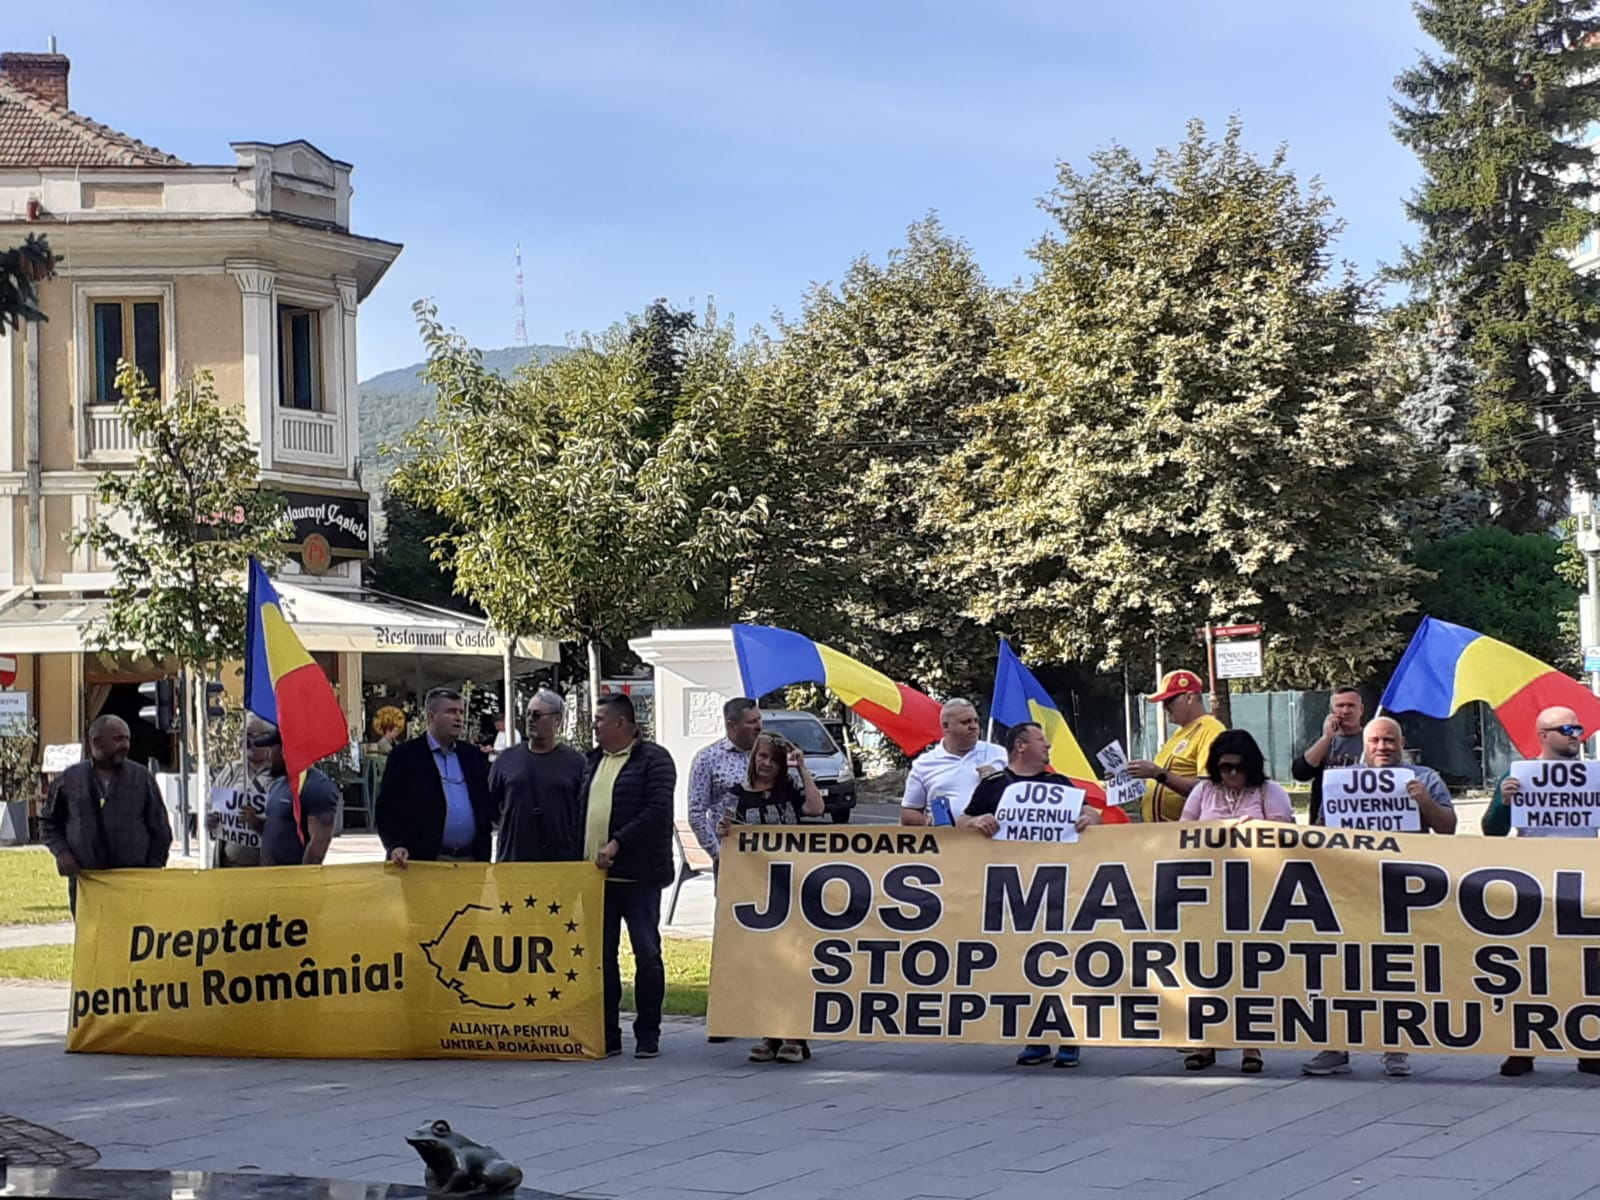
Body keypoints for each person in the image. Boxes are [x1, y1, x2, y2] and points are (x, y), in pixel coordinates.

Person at [1303, 715, 1455, 1080]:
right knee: (1343, 968)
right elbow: (1321, 832)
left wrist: (1423, 802)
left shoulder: (1425, 778)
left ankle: (1396, 1047)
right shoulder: (1342, 781)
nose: (1383, 747)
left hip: (1405, 889)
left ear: (1401, 743)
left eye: (1390, 740)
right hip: (1352, 889)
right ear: (1364, 745)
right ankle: (1336, 1047)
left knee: (1397, 970)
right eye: (1375, 741)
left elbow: (1448, 828)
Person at [959, 721, 1101, 1069]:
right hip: (1010, 892)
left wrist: (1088, 817)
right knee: (1023, 965)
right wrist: (977, 823)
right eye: (1041, 740)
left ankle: (1069, 1037)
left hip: (1057, 889)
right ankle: (1034, 1037)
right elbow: (961, 821)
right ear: (1021, 746)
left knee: (1062, 965)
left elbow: (1092, 813)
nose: (1048, 745)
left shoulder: (1058, 784)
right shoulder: (994, 786)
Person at [1482, 705, 1600, 1078]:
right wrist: (1504, 802)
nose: (1575, 734)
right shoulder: (1519, 775)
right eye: (1566, 728)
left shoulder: (1593, 775)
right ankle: (1524, 1048)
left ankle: (1589, 1046)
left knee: (1586, 970)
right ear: (1543, 735)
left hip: (1584, 886)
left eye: (1577, 728)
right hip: (1535, 888)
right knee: (1532, 970)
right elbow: (1492, 832)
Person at [1178, 729, 1294, 1074]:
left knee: (1248, 970)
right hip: (1206, 891)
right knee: (1205, 968)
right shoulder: (1203, 791)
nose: (1230, 775)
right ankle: (1205, 1040)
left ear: (1251, 766)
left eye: (1237, 768)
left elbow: (1287, 835)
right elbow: (1181, 833)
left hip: (1254, 893)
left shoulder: (1269, 792)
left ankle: (1251, 1044)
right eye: (1224, 767)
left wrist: (1253, 829)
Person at [715, 732, 824, 1064]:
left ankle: (795, 1035)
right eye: (761, 757)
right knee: (763, 962)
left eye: (772, 760)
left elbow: (816, 809)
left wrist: (802, 768)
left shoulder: (787, 790)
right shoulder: (736, 796)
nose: (765, 765)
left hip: (793, 890)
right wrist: (723, 832)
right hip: (756, 893)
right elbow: (727, 834)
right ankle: (768, 1033)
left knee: (795, 960)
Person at [580, 693, 675, 1059]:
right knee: (601, 958)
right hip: (595, 879)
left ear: (622, 723)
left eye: (600, 719)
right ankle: (607, 1032)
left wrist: (618, 843)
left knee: (647, 954)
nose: (595, 725)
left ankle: (647, 1033)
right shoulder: (592, 761)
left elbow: (656, 810)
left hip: (639, 878)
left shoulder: (655, 760)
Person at [40, 715, 172, 914]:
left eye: (127, 739)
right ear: (96, 742)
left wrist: (152, 869)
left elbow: (160, 829)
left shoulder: (142, 778)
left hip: (132, 884)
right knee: (93, 940)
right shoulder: (69, 780)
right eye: (118, 739)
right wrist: (63, 854)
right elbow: (48, 823)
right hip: (87, 884)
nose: (125, 745)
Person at [376, 687, 495, 866]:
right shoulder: (406, 756)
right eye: (451, 711)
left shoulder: (472, 756)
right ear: (431, 716)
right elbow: (387, 807)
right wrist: (394, 845)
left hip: (471, 862)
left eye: (461, 712)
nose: (458, 718)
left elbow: (485, 804)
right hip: (424, 862)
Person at [492, 690, 587, 862]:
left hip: (559, 863)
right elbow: (489, 806)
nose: (529, 720)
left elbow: (584, 813)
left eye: (537, 715)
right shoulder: (506, 759)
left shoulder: (577, 763)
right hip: (513, 861)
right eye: (527, 714)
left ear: (557, 720)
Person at [1128, 670, 1225, 822]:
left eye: (1169, 700)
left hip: (1186, 834)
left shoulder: (1210, 730)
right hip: (1161, 834)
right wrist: (1129, 774)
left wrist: (1157, 773)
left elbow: (1207, 788)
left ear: (1190, 697)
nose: (1165, 707)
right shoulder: (1181, 732)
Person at [900, 699, 1006, 826]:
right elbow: (908, 813)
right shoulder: (924, 764)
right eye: (965, 722)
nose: (973, 726)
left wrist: (999, 781)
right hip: (947, 841)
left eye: (975, 720)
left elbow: (1022, 792)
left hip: (992, 839)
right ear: (945, 726)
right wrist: (929, 822)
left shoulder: (999, 754)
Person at [687, 697, 763, 865]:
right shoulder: (708, 759)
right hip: (732, 857)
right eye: (751, 722)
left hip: (769, 855)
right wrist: (718, 855)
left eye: (759, 719)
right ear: (732, 726)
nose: (759, 727)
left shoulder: (768, 756)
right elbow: (696, 812)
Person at [253, 725, 339, 866]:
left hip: (294, 881)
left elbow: (319, 841)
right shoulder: (277, 785)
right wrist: (253, 821)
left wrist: (303, 880)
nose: (267, 757)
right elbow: (276, 829)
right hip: (270, 878)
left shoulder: (316, 787)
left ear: (285, 750)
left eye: (271, 750)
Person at [204, 714, 274, 868]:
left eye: (251, 735)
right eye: (243, 735)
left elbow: (286, 829)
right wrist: (210, 821)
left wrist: (257, 822)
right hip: (227, 868)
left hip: (263, 871)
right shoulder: (230, 771)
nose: (246, 742)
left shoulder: (280, 777)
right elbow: (210, 807)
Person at [1290, 687, 1365, 824]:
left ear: (1361, 710)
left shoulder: (1371, 740)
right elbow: (1301, 773)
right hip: (1324, 821)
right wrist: (1326, 737)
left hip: (1361, 817)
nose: (1345, 711)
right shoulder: (1322, 742)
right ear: (1332, 711)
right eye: (1340, 706)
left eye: (1351, 705)